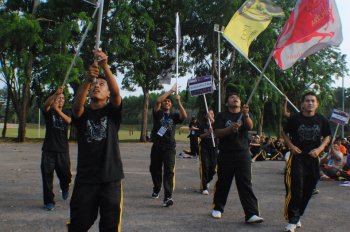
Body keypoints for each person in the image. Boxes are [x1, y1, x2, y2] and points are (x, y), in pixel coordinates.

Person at [68, 50, 124, 231]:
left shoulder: (112, 113)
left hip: (111, 179)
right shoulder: (83, 115)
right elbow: (76, 107)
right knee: (78, 224)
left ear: (107, 93)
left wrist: (104, 66)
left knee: (109, 227)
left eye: (102, 84)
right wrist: (87, 80)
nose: (97, 86)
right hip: (86, 180)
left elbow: (117, 95)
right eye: (95, 84)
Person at [282, 92, 331, 232]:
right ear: (302, 104)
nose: (310, 103)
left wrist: (320, 149)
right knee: (296, 187)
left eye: (312, 101)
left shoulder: (322, 120)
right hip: (297, 158)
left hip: (313, 158)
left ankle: (298, 215)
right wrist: (291, 147)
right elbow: (284, 132)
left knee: (309, 188)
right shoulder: (295, 119)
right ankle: (292, 219)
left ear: (317, 104)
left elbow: (327, 136)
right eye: (307, 101)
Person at [211, 92, 263, 224]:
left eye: (238, 98)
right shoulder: (221, 116)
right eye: (232, 97)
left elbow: (250, 126)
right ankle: (218, 207)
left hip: (243, 154)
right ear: (227, 103)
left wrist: (245, 115)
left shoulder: (245, 114)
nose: (236, 99)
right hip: (226, 153)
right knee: (223, 182)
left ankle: (251, 214)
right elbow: (217, 133)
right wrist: (230, 129)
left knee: (245, 183)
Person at [149, 84, 187, 207]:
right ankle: (157, 187)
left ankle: (168, 197)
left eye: (169, 102)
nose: (166, 102)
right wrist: (171, 90)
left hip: (169, 147)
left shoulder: (174, 116)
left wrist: (179, 102)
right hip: (157, 146)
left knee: (169, 171)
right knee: (155, 169)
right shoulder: (158, 113)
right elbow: (158, 101)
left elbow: (184, 116)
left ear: (171, 105)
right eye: (165, 101)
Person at [41, 87, 72, 211]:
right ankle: (49, 201)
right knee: (47, 176)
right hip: (48, 150)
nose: (61, 100)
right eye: (59, 98)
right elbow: (45, 106)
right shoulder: (49, 113)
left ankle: (65, 187)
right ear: (54, 100)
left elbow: (69, 121)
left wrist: (58, 110)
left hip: (63, 150)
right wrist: (55, 94)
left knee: (66, 175)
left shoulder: (66, 113)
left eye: (63, 99)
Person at [198, 109, 217, 195]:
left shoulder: (217, 124)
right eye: (209, 113)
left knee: (213, 168)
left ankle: (208, 180)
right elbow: (200, 136)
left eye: (212, 113)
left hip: (214, 148)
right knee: (205, 166)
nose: (210, 114)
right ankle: (204, 187)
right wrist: (208, 133)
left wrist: (212, 121)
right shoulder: (202, 125)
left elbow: (218, 126)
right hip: (204, 147)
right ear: (206, 116)